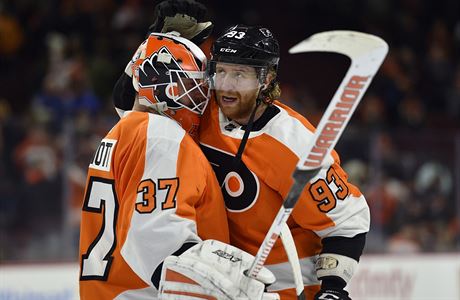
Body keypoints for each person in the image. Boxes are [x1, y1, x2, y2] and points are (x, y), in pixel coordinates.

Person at [112, 2, 370, 300]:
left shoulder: (293, 142)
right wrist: (155, 45)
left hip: (284, 289)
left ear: (267, 79)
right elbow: (129, 108)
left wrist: (333, 290)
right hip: (215, 283)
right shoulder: (200, 108)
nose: (227, 86)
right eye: (221, 72)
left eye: (241, 75)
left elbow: (348, 222)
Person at [79, 32, 277, 300]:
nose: (200, 98)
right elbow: (157, 236)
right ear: (158, 83)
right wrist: (222, 289)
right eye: (187, 85)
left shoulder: (121, 133)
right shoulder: (161, 134)